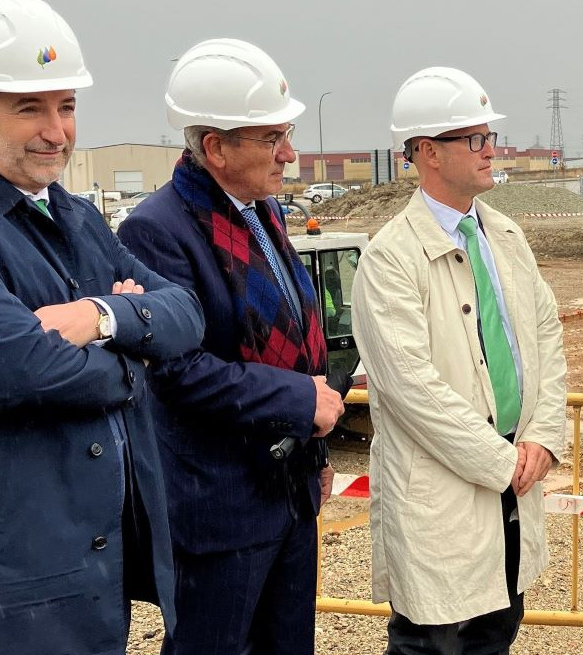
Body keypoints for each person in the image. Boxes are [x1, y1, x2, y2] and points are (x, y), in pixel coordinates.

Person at [0, 1, 206, 654]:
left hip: (89, 583)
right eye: (31, 108)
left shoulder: (78, 218)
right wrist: (133, 355)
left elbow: (188, 314)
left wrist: (99, 316)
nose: (57, 131)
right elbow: (20, 369)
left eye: (66, 106)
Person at [116, 38, 344, 655]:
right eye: (272, 138)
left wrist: (313, 454)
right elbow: (177, 371)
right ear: (215, 147)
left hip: (286, 491)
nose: (289, 154)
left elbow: (297, 336)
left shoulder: (260, 212)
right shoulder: (157, 230)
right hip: (218, 509)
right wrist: (301, 400)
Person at [351, 66, 567, 655]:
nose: (490, 150)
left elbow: (545, 336)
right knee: (436, 638)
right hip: (448, 490)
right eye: (473, 139)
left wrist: (544, 436)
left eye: (489, 137)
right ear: (427, 152)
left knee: (497, 630)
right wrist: (502, 462)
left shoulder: (506, 236)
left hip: (514, 478)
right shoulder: (392, 257)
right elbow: (409, 389)